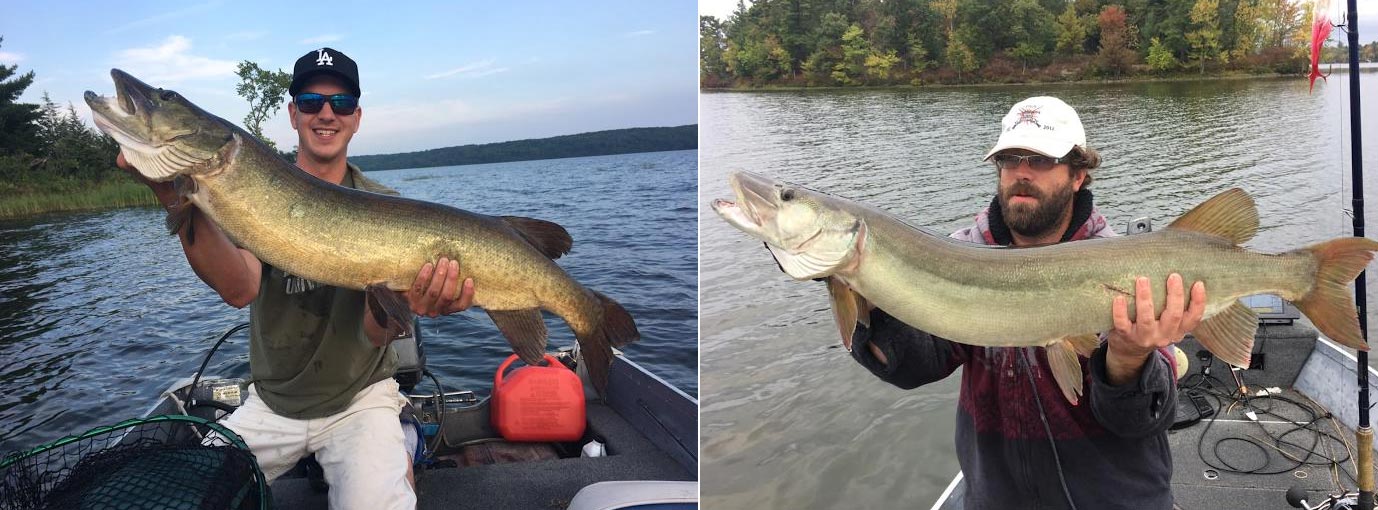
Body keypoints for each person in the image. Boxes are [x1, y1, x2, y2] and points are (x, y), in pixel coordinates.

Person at [117, 48, 469, 510]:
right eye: (310, 102)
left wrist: (415, 304)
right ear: (292, 114)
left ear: (356, 117)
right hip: (271, 405)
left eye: (340, 103)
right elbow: (238, 288)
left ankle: (396, 442)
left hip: (361, 400)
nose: (326, 114)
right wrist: (169, 192)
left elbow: (374, 330)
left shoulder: (385, 205)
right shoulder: (246, 190)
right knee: (184, 500)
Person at [849, 96, 1205, 509]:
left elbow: (1144, 421)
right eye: (1009, 159)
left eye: (1039, 161)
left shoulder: (1126, 267)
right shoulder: (963, 256)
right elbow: (914, 366)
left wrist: (1128, 361)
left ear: (1078, 175)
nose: (1020, 172)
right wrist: (866, 291)